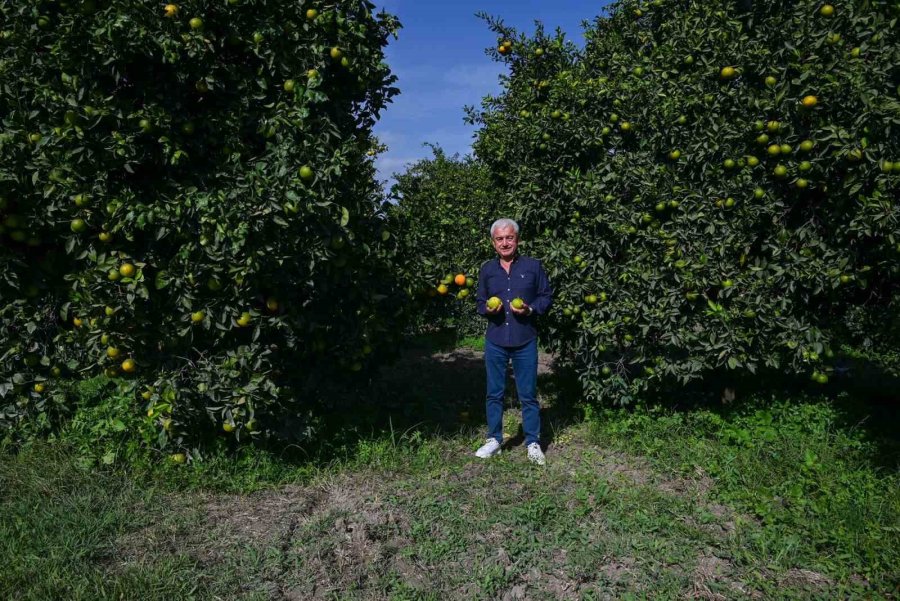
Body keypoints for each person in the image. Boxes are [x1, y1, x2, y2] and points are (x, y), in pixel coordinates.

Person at [474, 218, 553, 465]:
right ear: (493, 242)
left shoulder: (533, 267)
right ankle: (494, 440)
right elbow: (479, 302)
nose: (505, 242)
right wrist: (489, 309)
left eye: (509, 237)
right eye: (500, 239)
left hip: (524, 339)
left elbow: (546, 296)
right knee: (494, 393)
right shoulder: (487, 269)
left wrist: (529, 310)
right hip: (496, 339)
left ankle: (532, 442)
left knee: (528, 394)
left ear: (517, 240)